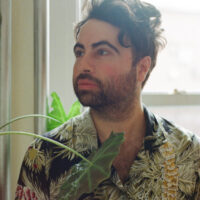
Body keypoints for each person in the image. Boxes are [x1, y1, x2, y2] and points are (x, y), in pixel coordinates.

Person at [15, 0, 200, 199]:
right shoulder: (44, 156)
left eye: (102, 52)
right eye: (80, 52)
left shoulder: (189, 153)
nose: (83, 65)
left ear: (142, 68)